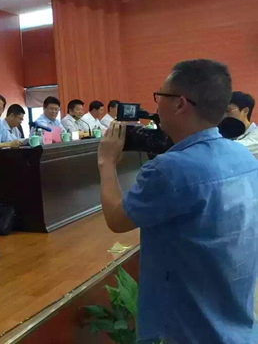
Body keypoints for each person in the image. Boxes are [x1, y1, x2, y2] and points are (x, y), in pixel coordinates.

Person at [97, 59, 258, 344]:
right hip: (235, 319)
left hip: (189, 327)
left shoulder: (170, 169)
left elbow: (116, 219)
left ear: (180, 104)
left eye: (160, 96)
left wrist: (106, 162)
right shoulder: (243, 156)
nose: (157, 104)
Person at [225, 91, 258, 159]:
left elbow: (230, 150)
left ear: (245, 111)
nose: (224, 116)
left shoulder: (255, 138)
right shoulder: (224, 132)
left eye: (228, 111)